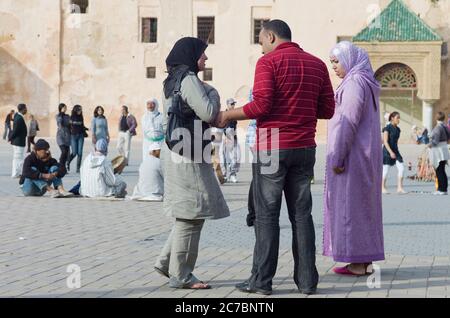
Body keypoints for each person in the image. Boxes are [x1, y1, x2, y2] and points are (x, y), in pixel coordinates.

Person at [215, 20, 335, 295]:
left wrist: (227, 115)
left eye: (261, 43)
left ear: (270, 36)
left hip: (271, 146)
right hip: (305, 147)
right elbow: (328, 109)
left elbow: (261, 105)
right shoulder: (317, 64)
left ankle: (261, 282)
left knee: (267, 216)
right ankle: (307, 282)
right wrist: (299, 109)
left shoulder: (268, 63)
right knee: (302, 215)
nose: (261, 49)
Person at [154, 37, 230, 290]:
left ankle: (167, 263)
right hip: (187, 154)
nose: (205, 59)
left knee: (187, 212)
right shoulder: (188, 80)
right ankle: (182, 275)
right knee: (192, 213)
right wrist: (213, 92)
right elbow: (208, 112)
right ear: (190, 56)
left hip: (176, 150)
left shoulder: (172, 81)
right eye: (202, 54)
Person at [323, 41, 385, 276]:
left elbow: (347, 123)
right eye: (332, 62)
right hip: (363, 156)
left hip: (352, 158)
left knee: (352, 210)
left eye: (337, 61)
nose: (334, 67)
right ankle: (363, 260)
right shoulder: (365, 81)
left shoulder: (354, 83)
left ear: (350, 59)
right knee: (362, 208)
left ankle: (358, 263)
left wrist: (337, 158)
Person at [382, 112, 407, 194]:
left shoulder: (398, 129)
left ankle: (399, 188)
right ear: (392, 118)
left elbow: (395, 142)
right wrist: (390, 152)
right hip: (387, 151)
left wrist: (394, 152)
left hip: (396, 151)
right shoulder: (387, 128)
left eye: (399, 118)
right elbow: (385, 142)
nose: (399, 119)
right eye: (397, 118)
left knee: (401, 168)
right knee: (385, 170)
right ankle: (382, 187)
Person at [428, 111, 450, 195]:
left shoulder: (438, 127)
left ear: (436, 118)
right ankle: (443, 189)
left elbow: (435, 141)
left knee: (439, 170)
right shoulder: (445, 127)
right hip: (444, 148)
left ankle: (441, 189)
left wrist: (429, 145)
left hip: (438, 150)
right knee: (442, 170)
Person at [9, 104, 28, 178]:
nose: (26, 110)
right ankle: (15, 174)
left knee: (17, 158)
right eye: (26, 108)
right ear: (23, 109)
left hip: (18, 141)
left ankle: (16, 173)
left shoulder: (18, 116)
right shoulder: (19, 118)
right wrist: (11, 138)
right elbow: (15, 130)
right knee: (18, 158)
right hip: (18, 142)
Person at [56, 103, 71, 170]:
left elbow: (70, 124)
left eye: (65, 108)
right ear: (60, 108)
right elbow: (59, 123)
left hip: (67, 136)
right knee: (64, 151)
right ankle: (60, 165)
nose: (65, 109)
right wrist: (61, 115)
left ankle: (63, 166)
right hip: (60, 136)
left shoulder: (68, 116)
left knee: (66, 153)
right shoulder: (58, 116)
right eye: (63, 108)